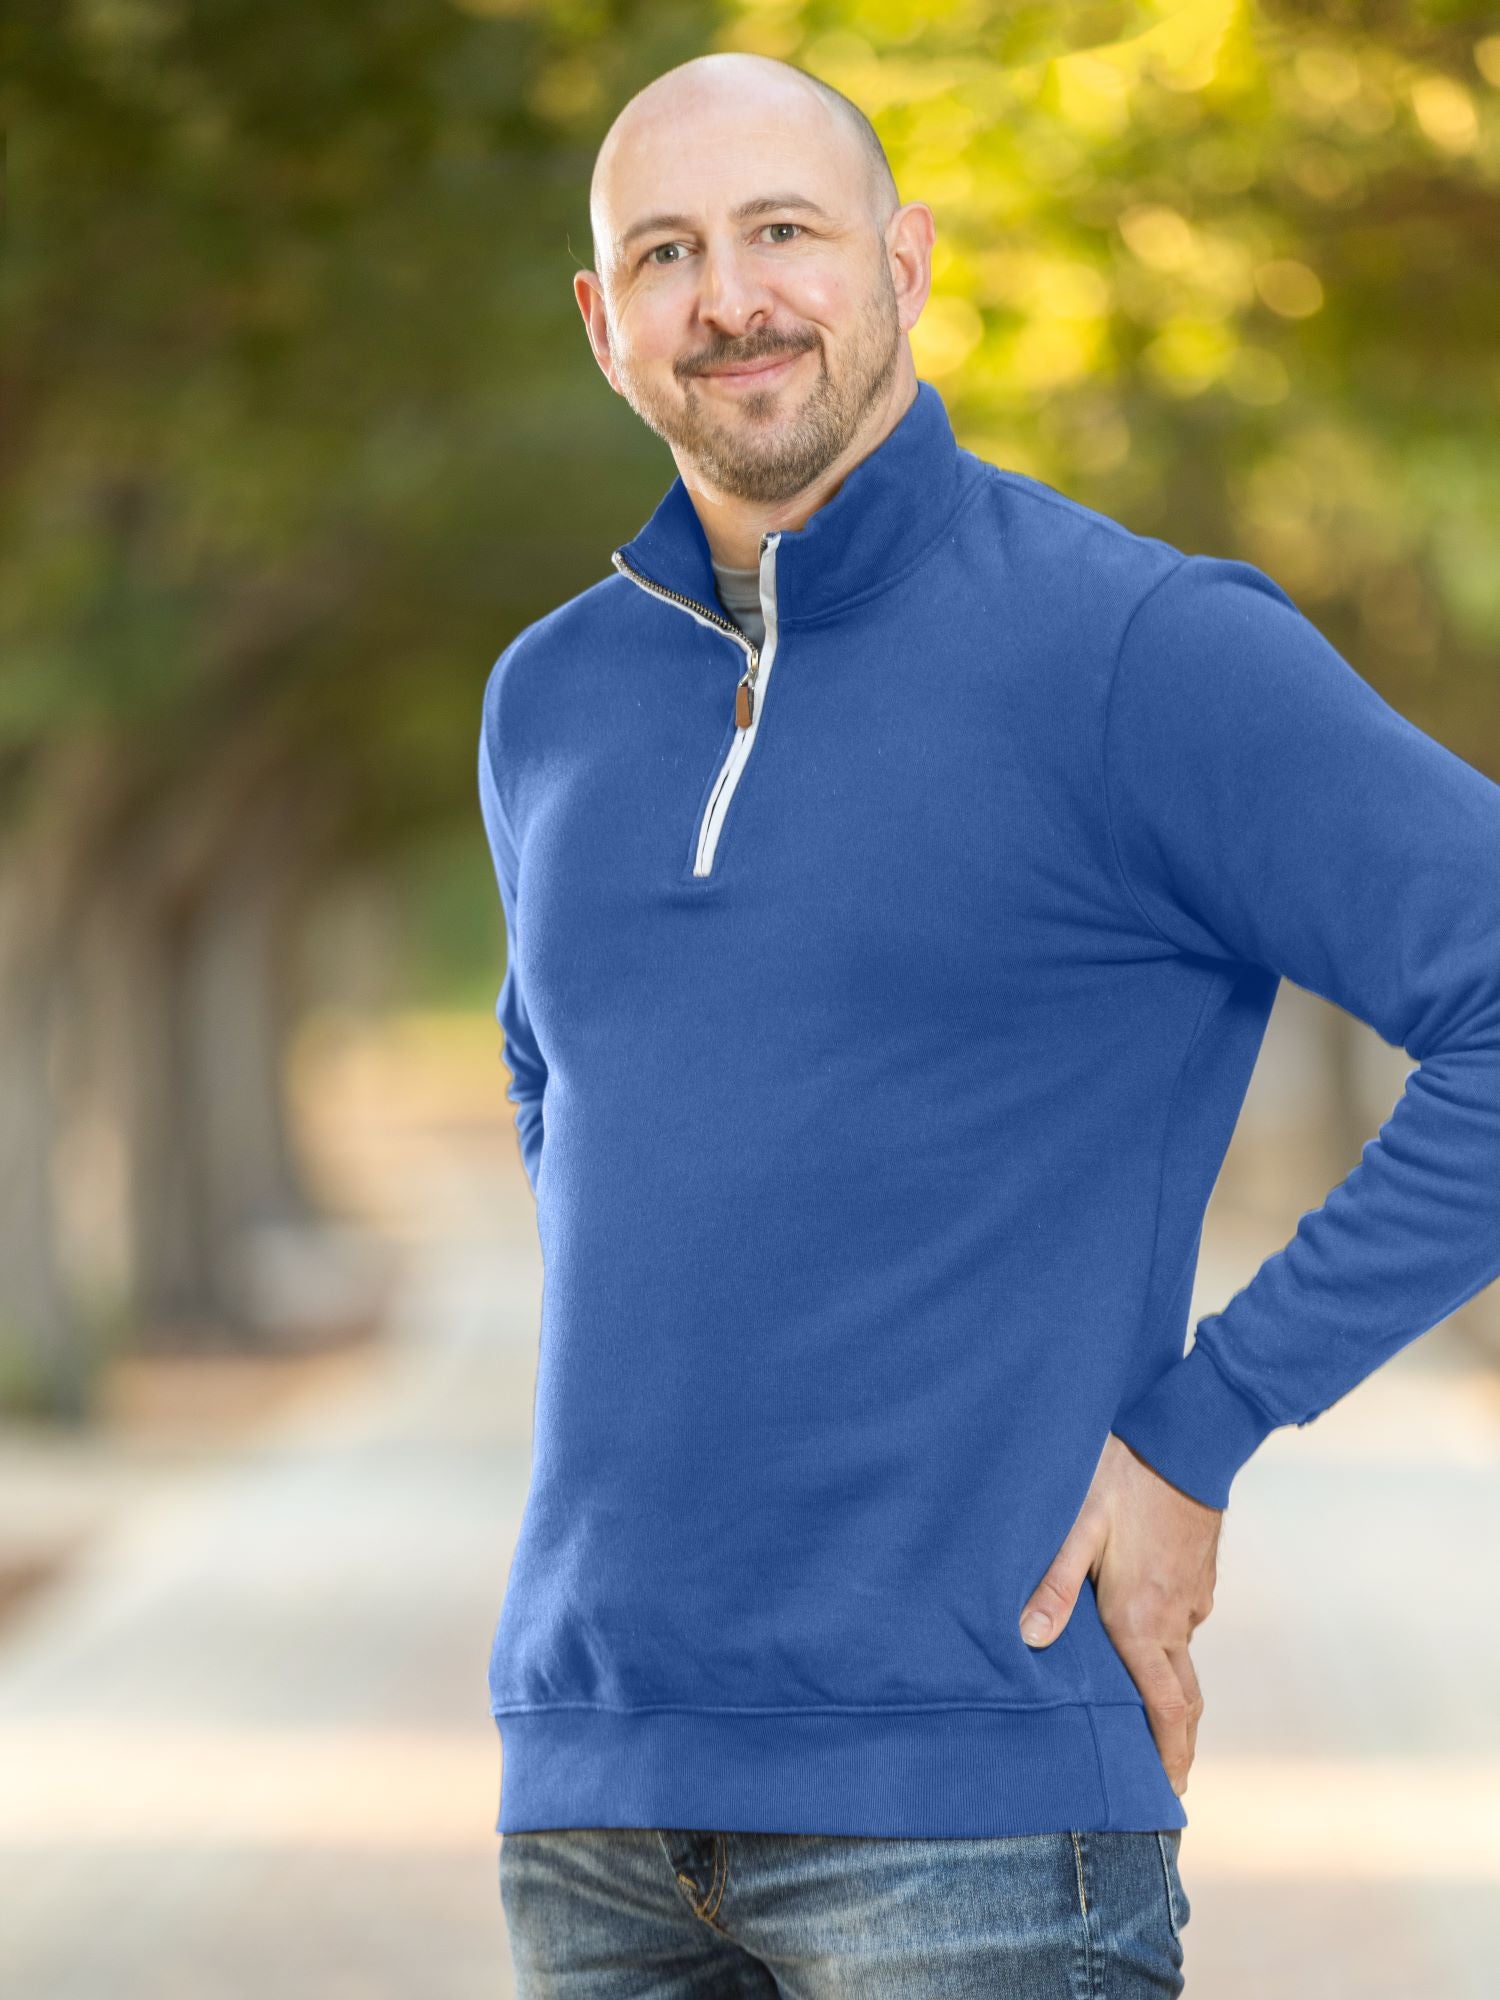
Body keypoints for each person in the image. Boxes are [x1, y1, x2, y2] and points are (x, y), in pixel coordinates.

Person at [476, 49, 1500, 1998]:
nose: (732, 295)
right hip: (595, 1798)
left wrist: (1205, 1426)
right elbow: (568, 1093)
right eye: (668, 253)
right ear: (609, 324)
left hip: (981, 1808)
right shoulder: (550, 701)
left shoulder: (1136, 648)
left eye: (784, 231)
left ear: (905, 261)